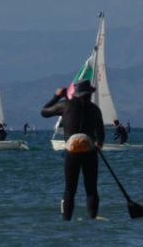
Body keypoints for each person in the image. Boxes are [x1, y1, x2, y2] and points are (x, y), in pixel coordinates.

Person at [41, 80, 105, 221]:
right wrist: (99, 144)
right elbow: (100, 133)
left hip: (72, 152)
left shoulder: (65, 105)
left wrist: (57, 96)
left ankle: (66, 219)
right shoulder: (95, 109)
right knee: (91, 190)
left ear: (76, 94)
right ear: (89, 94)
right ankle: (92, 218)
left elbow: (44, 112)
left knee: (70, 189)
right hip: (90, 152)